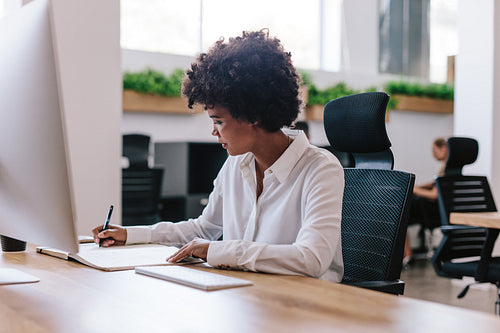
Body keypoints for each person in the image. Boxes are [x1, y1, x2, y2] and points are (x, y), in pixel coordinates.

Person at [93, 30, 344, 281]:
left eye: (219, 121)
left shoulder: (320, 169)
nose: (213, 131)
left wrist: (219, 251)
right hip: (251, 296)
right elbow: (204, 229)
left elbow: (312, 259)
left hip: (306, 306)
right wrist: (132, 235)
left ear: (252, 115)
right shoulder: (236, 163)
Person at [404, 137, 448, 263]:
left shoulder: (446, 169)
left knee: (399, 213)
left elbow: (434, 195)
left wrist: (414, 189)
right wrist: (418, 186)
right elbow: (435, 184)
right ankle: (407, 254)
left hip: (434, 210)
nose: (433, 154)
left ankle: (407, 255)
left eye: (435, 150)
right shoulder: (450, 168)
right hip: (438, 208)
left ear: (444, 149)